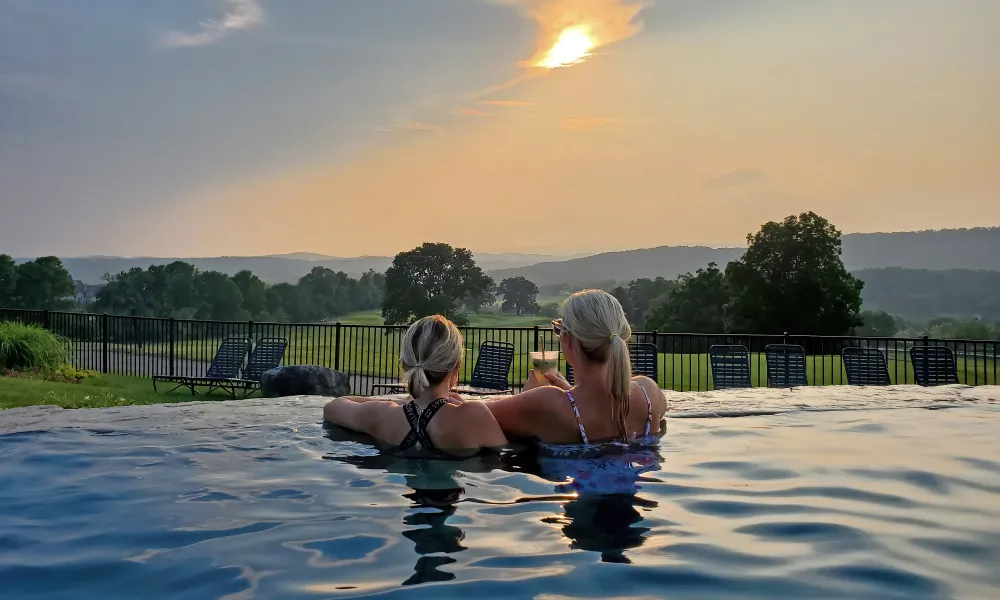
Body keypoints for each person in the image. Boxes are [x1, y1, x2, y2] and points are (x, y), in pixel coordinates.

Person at [485, 290, 667, 445]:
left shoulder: (547, 402)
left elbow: (472, 414)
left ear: (570, 340)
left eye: (559, 329)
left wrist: (527, 397)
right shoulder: (648, 391)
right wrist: (571, 394)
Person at [323, 315, 507, 458]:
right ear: (456, 366)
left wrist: (395, 402)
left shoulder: (382, 415)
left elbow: (333, 407)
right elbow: (503, 461)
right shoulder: (474, 416)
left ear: (405, 364)